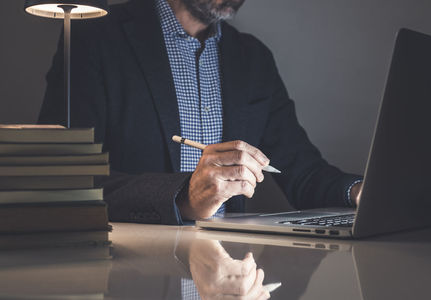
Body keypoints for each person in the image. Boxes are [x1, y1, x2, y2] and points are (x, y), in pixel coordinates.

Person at [38, 0, 363, 225]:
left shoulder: (252, 58)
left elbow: (300, 169)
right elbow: (62, 175)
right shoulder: (95, 37)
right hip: (135, 266)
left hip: (232, 265)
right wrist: (182, 197)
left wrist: (359, 191)